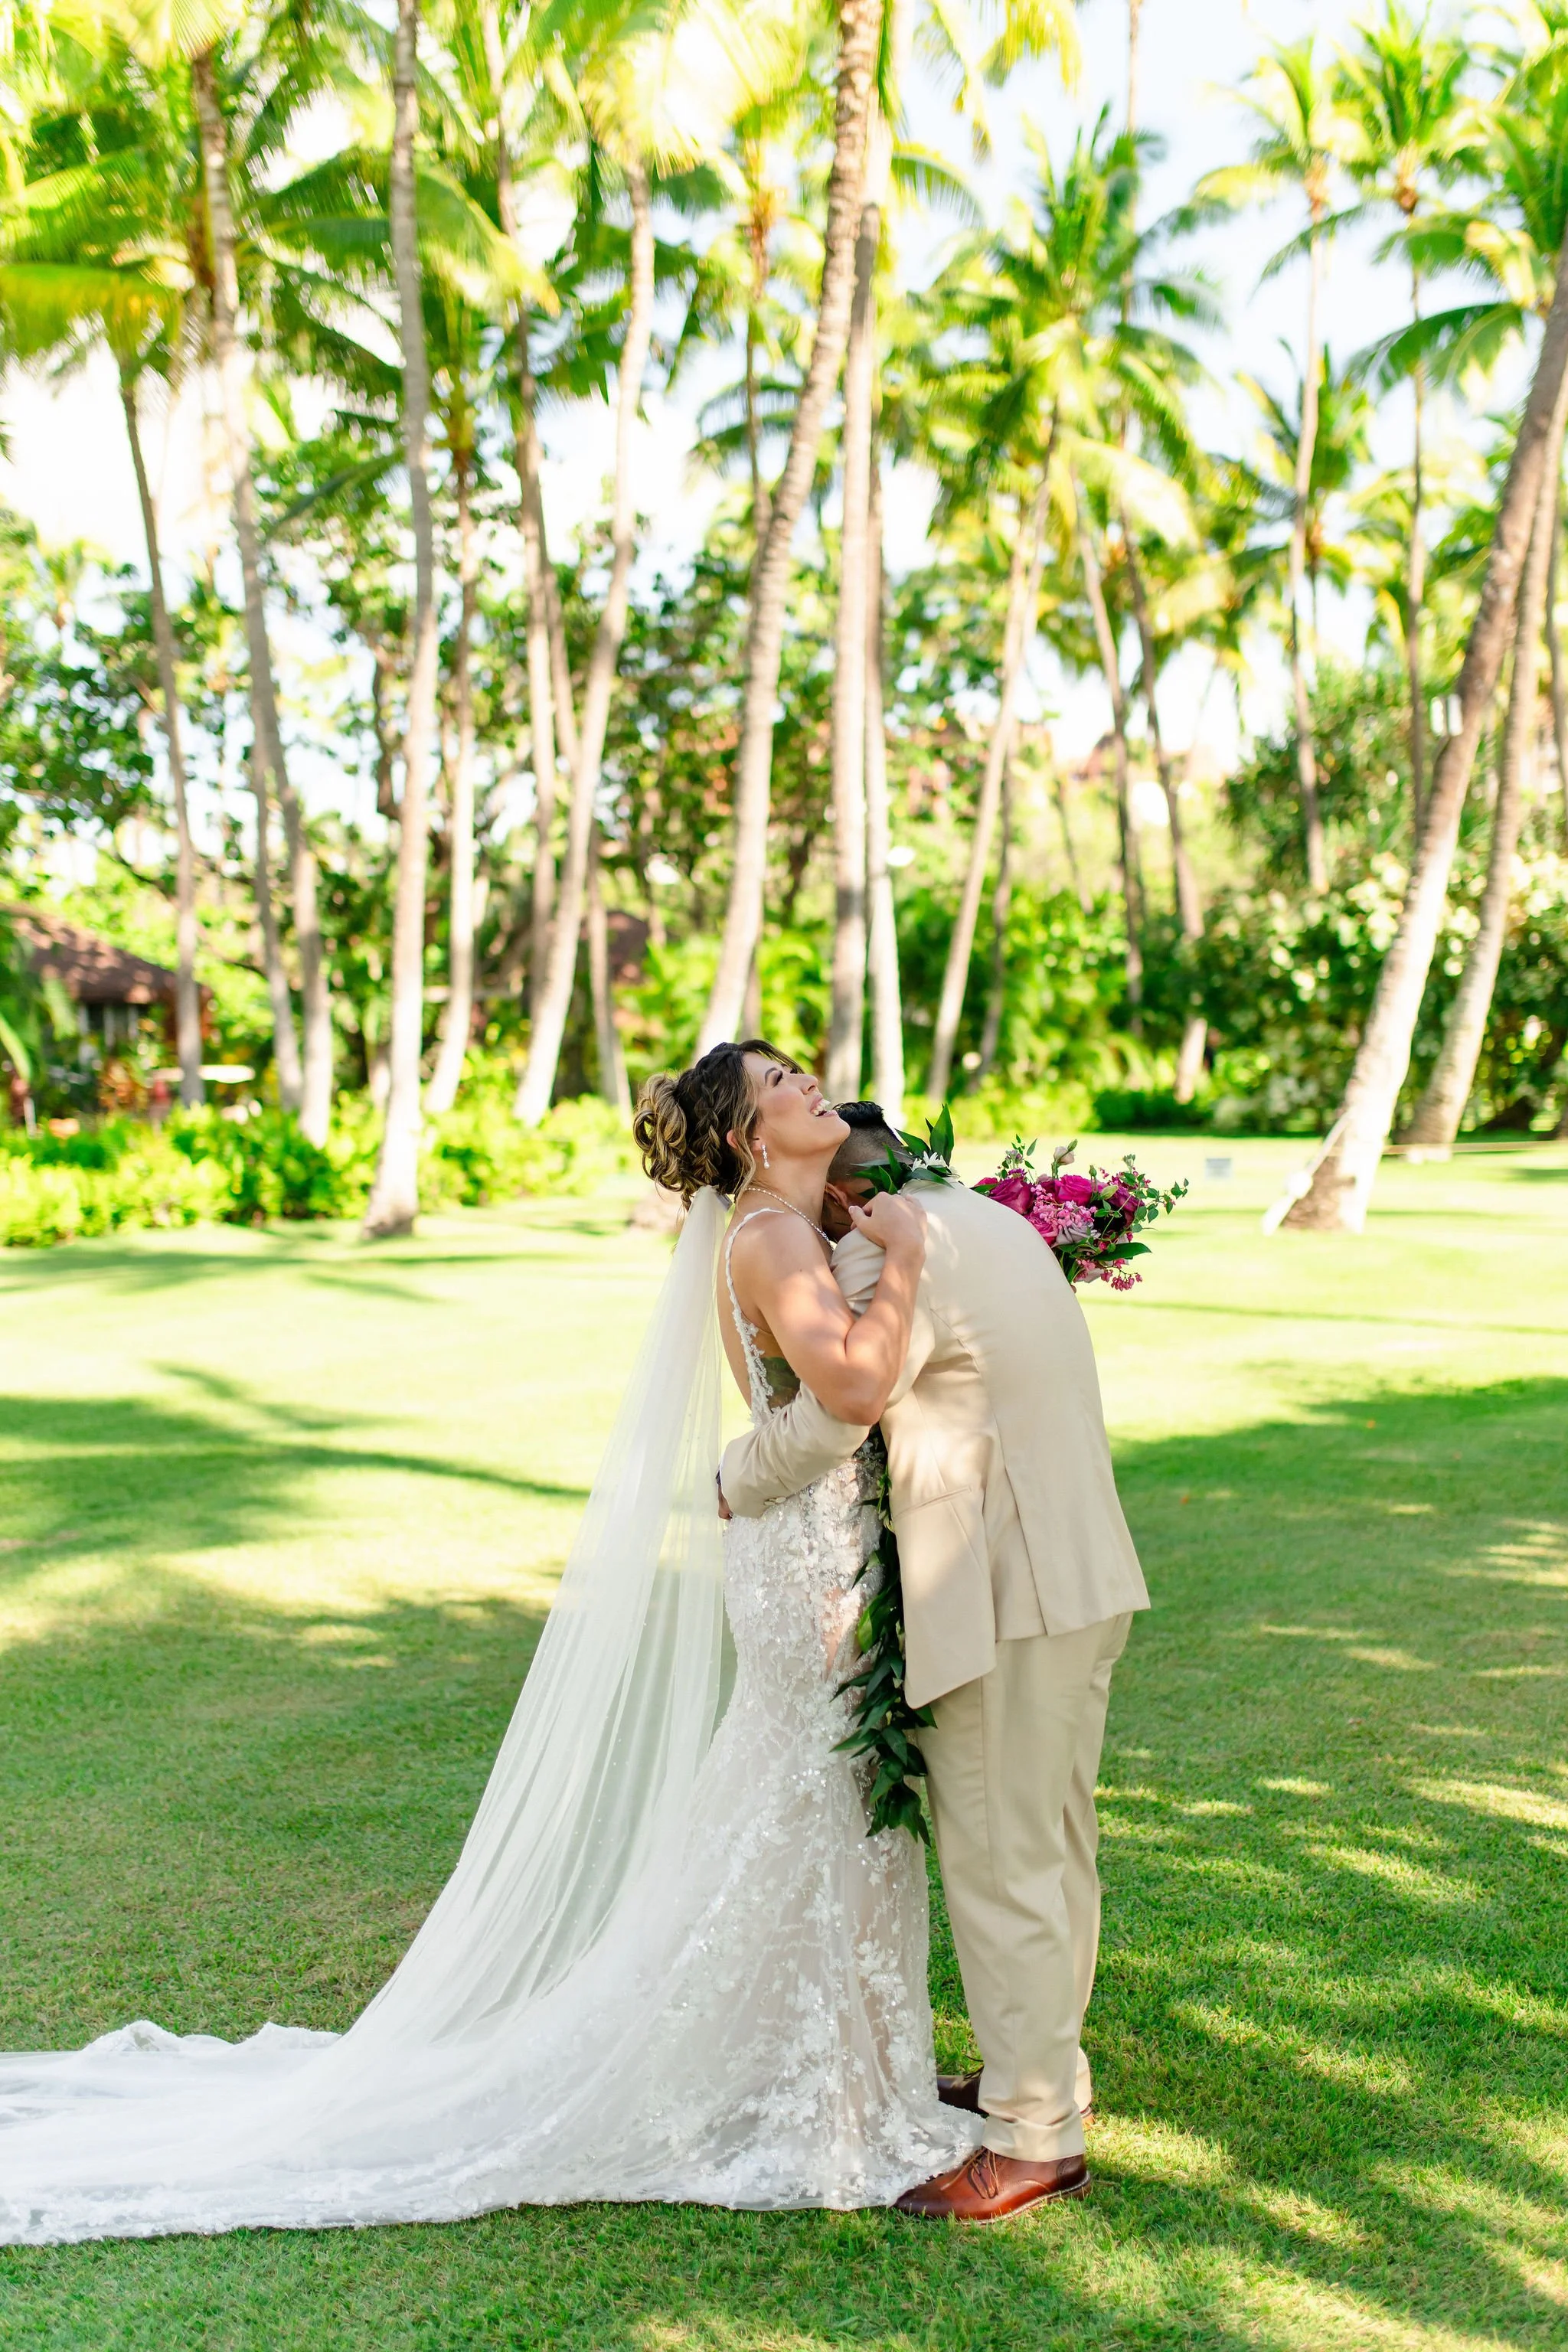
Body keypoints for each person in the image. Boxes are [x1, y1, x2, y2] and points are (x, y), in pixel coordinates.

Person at [0, 1043, 973, 2245]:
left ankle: (835, 2066)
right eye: (777, 1080)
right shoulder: (771, 1241)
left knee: (803, 1795)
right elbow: (850, 1393)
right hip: (809, 1564)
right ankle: (811, 2082)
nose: (807, 1082)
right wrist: (914, 1267)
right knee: (811, 1797)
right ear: (744, 1137)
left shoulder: (777, 1230)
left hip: (804, 1546)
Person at [718, 1101, 1149, 2223]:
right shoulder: (979, 1221)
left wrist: (735, 1477)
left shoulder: (882, 1249)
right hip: (1082, 1571)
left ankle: (1031, 2142)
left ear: (849, 1194)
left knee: (1004, 1867)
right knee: (1052, 1846)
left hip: (1009, 1589)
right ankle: (1043, 2082)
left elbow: (834, 1415)